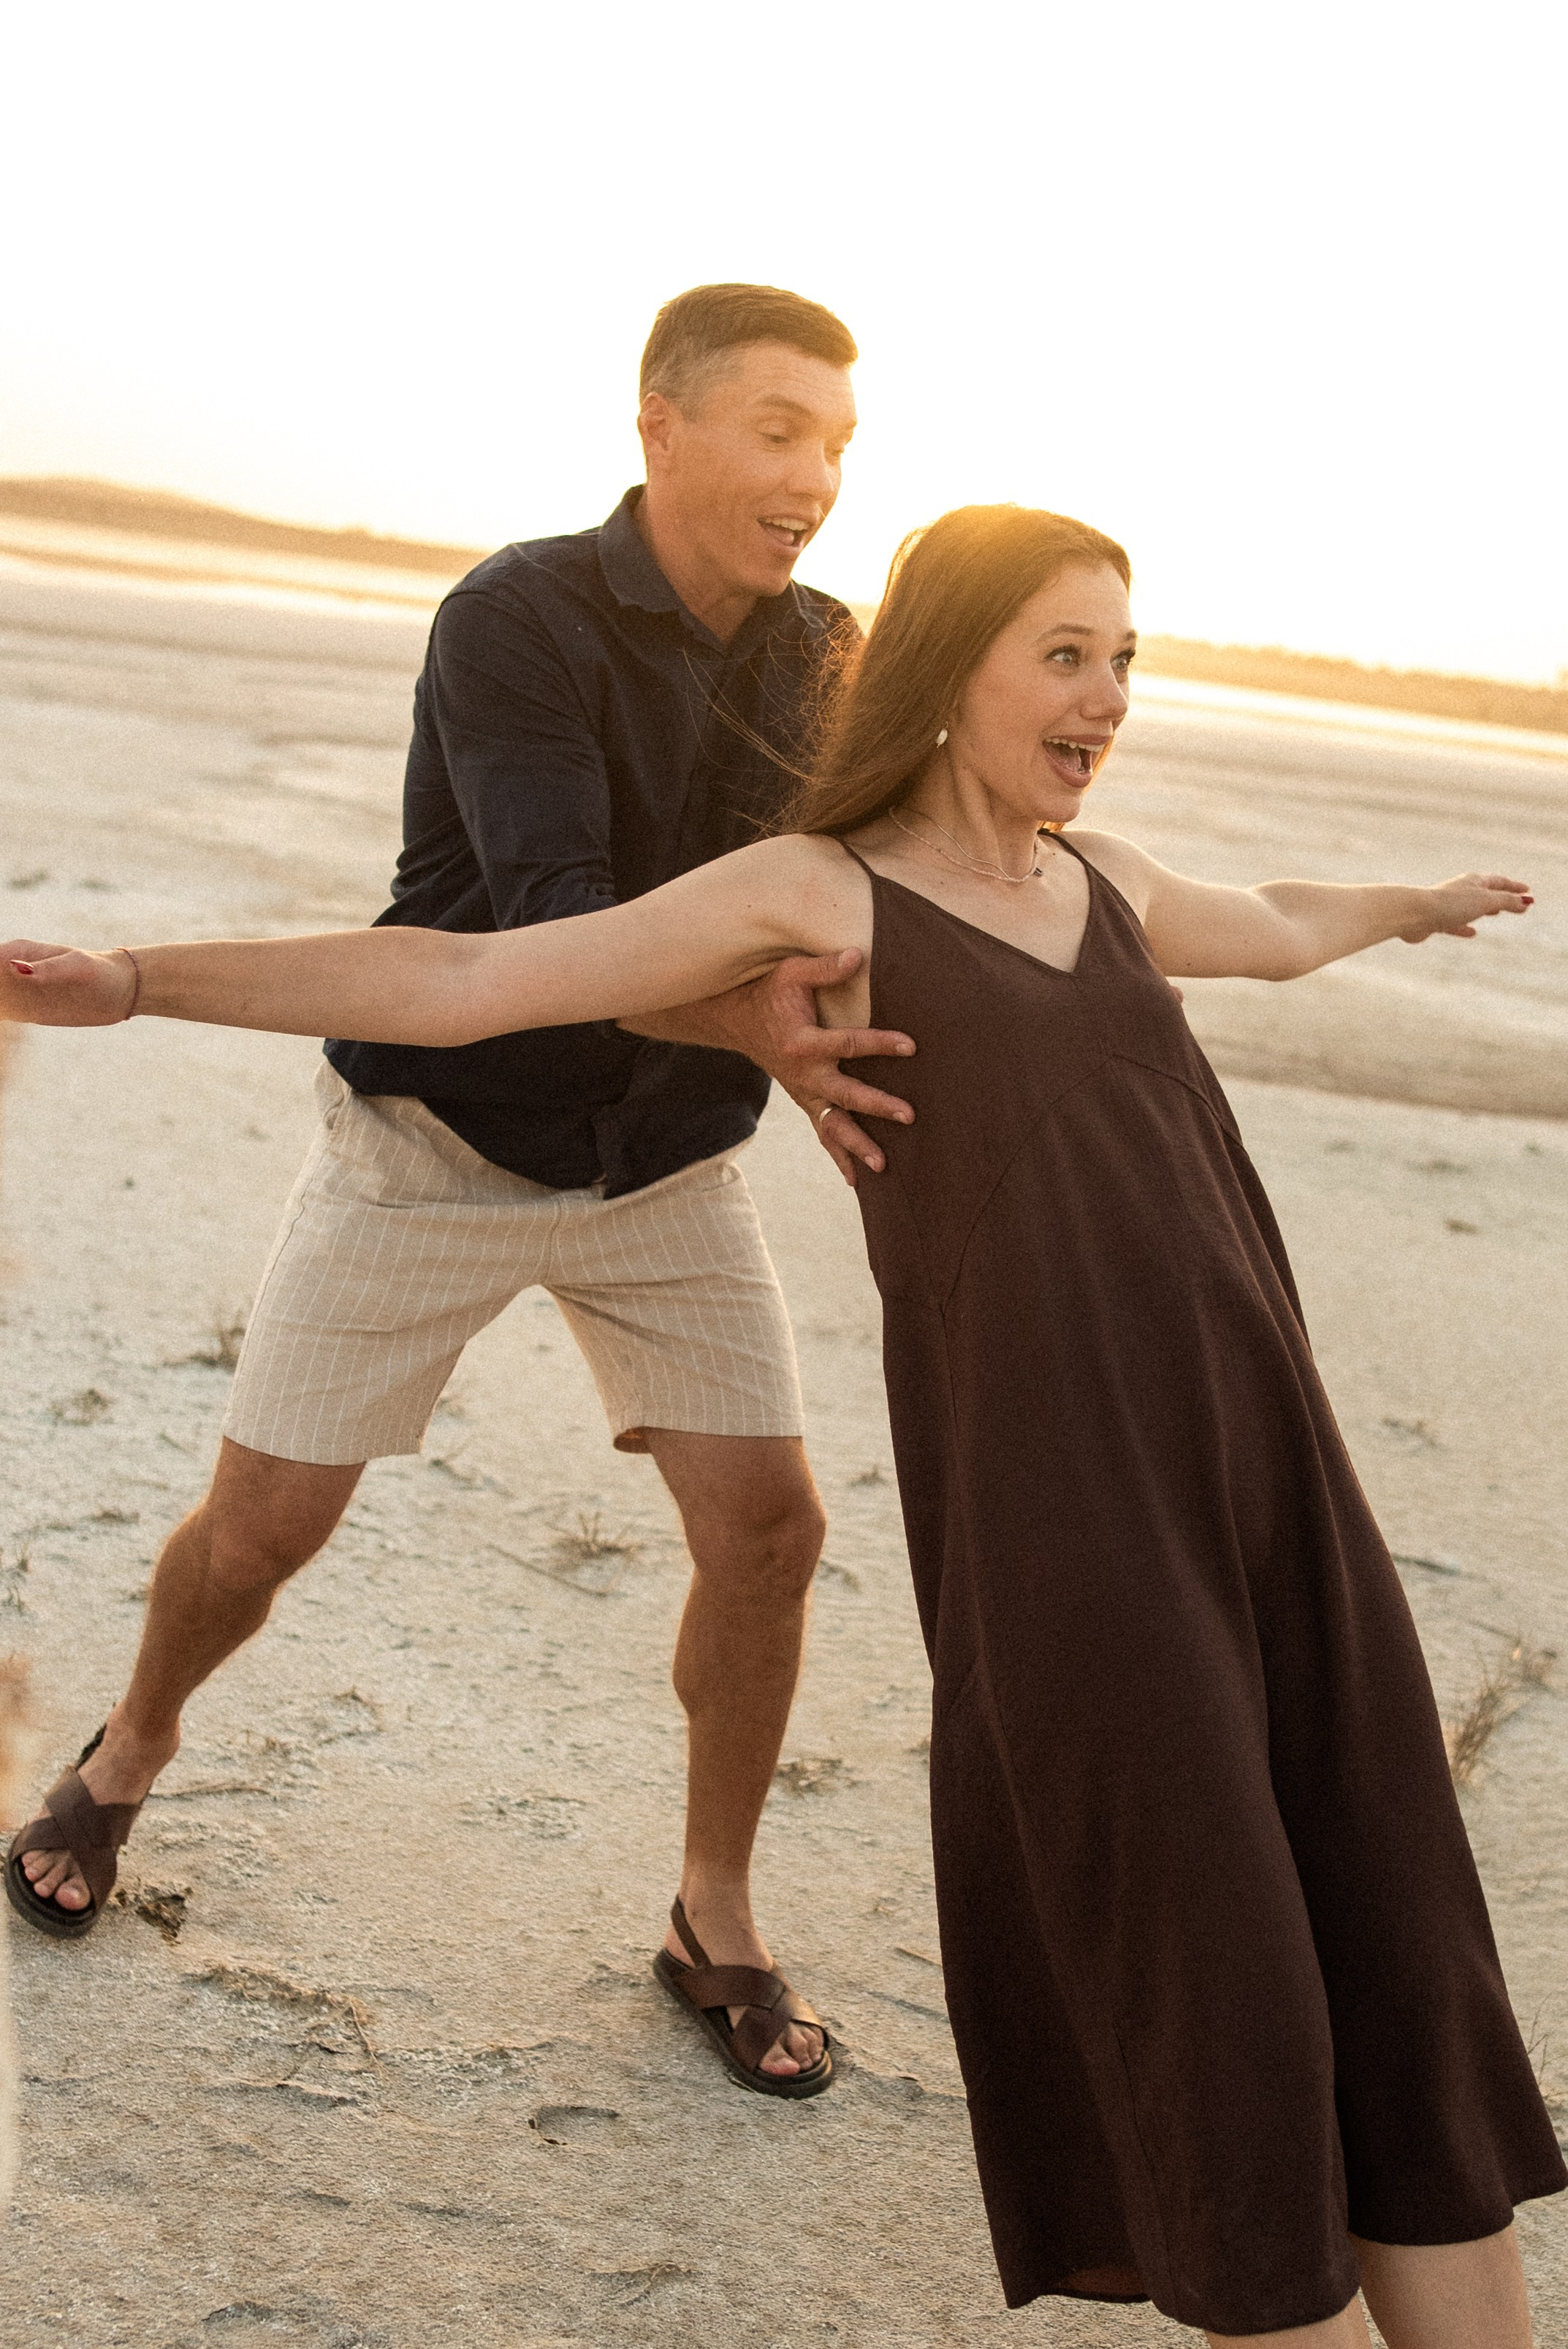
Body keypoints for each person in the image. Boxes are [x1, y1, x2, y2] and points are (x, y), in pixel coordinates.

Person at [4, 501, 1561, 2346]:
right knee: (1211, 1960)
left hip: (1274, 1484)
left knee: (1382, 1945)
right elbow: (461, 977)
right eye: (1063, 655)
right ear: (949, 672)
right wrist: (137, 980)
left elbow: (1279, 928)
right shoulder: (821, 894)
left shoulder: (1106, 881)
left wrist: (1415, 902)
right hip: (1072, 1517)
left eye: (1126, 658)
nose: (1105, 697)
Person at [2, 283, 925, 2099]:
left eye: (835, 441)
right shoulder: (517, 617)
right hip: (432, 1140)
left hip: (664, 1159)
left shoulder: (830, 646)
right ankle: (123, 1756)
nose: (812, 474)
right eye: (774, 430)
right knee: (260, 1537)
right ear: (659, 427)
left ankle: (712, 1916)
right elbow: (553, 938)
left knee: (772, 1533)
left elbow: (899, 881)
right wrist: (775, 1034)